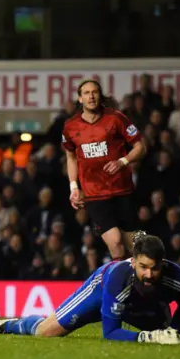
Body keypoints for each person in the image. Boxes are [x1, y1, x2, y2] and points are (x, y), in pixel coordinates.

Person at [0, 232, 180, 344]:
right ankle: (11, 325)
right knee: (46, 332)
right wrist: (146, 338)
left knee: (164, 333)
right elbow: (110, 333)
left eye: (154, 268)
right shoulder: (118, 277)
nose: (149, 274)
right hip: (101, 290)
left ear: (164, 263)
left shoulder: (178, 277)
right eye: (143, 267)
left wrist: (174, 331)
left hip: (143, 304)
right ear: (132, 262)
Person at [62, 79, 146, 260]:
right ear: (80, 98)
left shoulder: (116, 118)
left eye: (94, 92)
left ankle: (138, 281)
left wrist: (123, 161)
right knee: (115, 243)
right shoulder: (70, 126)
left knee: (136, 245)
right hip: (94, 194)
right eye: (86, 93)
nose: (91, 96)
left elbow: (140, 147)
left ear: (100, 96)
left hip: (122, 189)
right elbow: (70, 157)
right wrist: (74, 187)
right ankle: (120, 286)